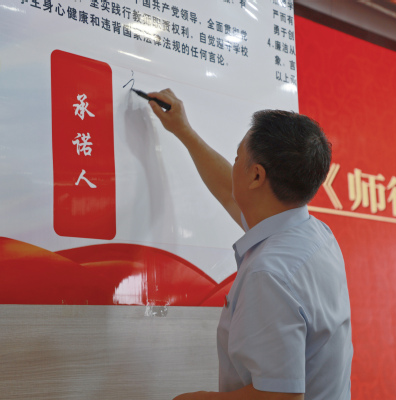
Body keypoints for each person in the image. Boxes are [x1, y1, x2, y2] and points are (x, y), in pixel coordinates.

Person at [147, 89, 353, 400]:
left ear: (256, 176)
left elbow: (279, 397)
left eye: (237, 157)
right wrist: (184, 131)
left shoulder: (269, 274)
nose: (233, 166)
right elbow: (229, 192)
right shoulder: (314, 233)